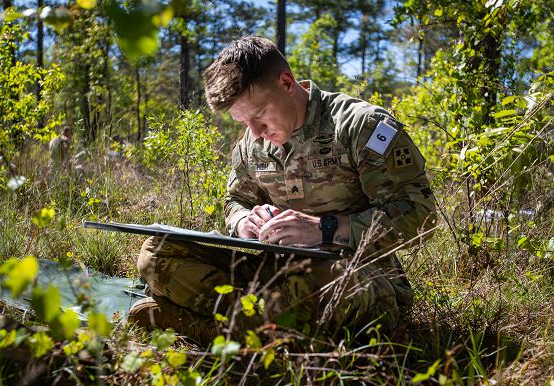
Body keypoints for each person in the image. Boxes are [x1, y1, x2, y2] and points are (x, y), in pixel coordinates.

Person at [129, 36, 437, 344]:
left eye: (260, 115)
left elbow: (419, 216)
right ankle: (259, 322)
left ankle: (202, 327)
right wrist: (243, 220)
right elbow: (234, 200)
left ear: (287, 83)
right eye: (243, 121)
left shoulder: (361, 126)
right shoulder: (252, 143)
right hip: (275, 270)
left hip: (353, 274)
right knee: (157, 253)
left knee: (335, 284)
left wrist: (324, 229)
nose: (255, 133)